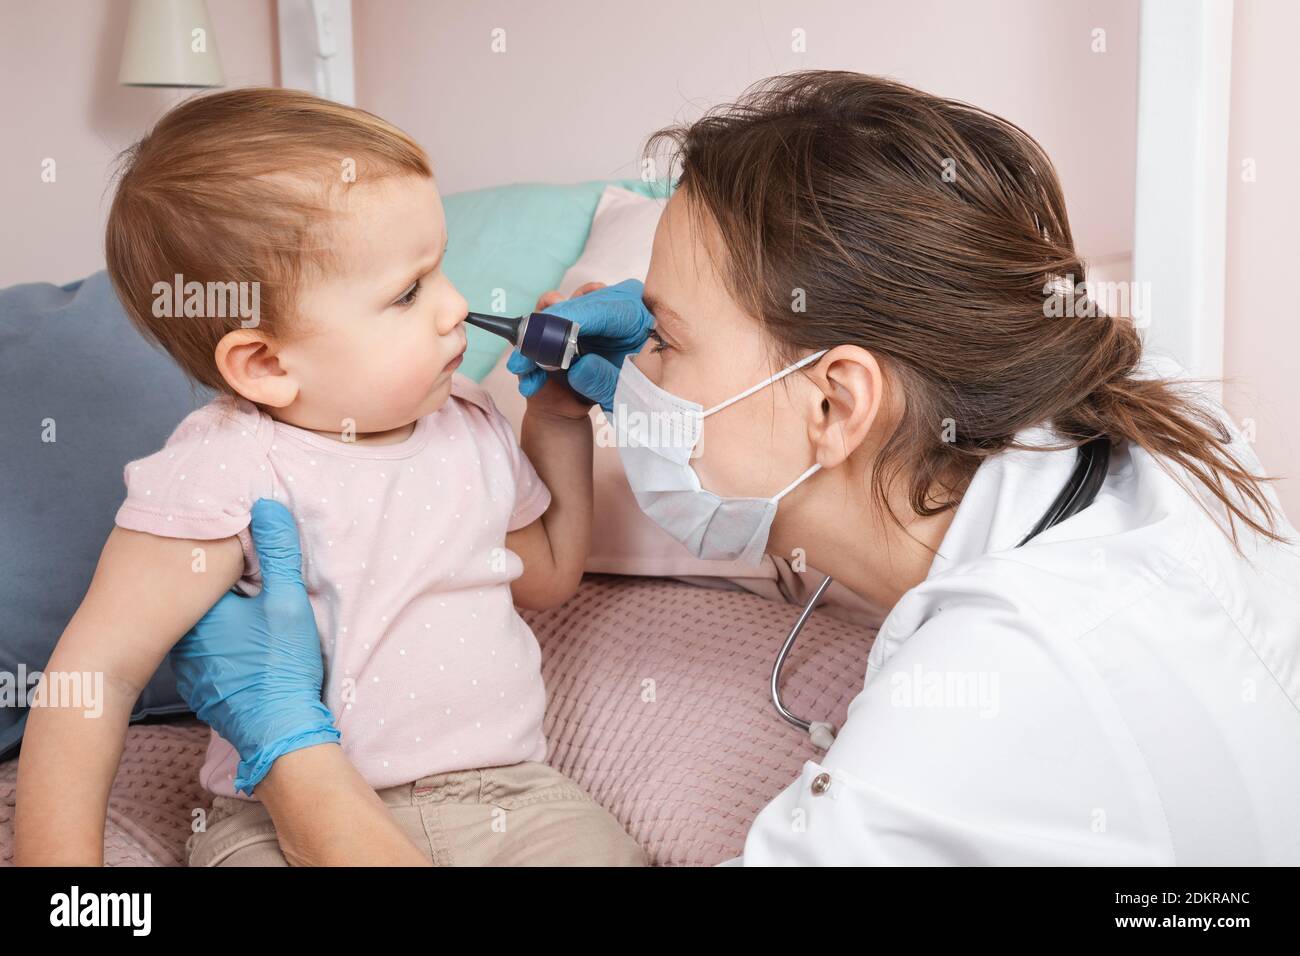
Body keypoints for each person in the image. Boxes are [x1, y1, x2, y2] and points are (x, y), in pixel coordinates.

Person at [166, 72, 1300, 865]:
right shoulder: (1137, 404)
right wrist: (673, 374)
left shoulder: (976, 720)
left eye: (663, 335)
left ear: (834, 400)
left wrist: (291, 749)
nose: (639, 370)